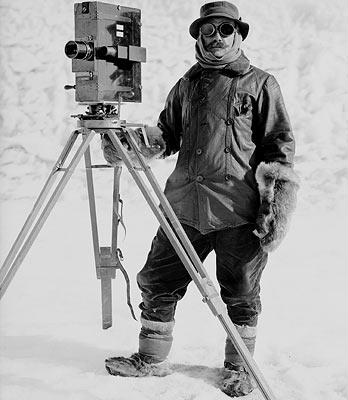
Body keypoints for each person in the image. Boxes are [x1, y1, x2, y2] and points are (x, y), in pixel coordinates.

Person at [102, 1, 299, 397]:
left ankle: (240, 367)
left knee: (241, 291)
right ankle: (151, 358)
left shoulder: (262, 84)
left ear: (239, 34)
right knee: (157, 280)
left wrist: (274, 208)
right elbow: (166, 135)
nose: (216, 38)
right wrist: (128, 145)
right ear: (198, 38)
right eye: (207, 32)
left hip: (237, 210)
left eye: (224, 30)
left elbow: (279, 146)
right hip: (184, 207)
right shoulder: (186, 85)